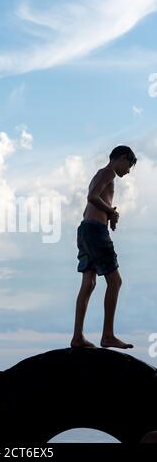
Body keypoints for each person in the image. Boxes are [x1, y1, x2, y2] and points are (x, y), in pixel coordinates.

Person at [70, 145, 137, 349]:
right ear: (122, 158)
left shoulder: (100, 175)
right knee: (115, 282)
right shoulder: (108, 172)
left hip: (86, 230)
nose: (128, 171)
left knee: (89, 283)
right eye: (129, 165)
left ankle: (78, 337)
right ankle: (108, 335)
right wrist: (111, 212)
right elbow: (92, 197)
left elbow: (88, 209)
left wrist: (109, 215)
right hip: (95, 232)